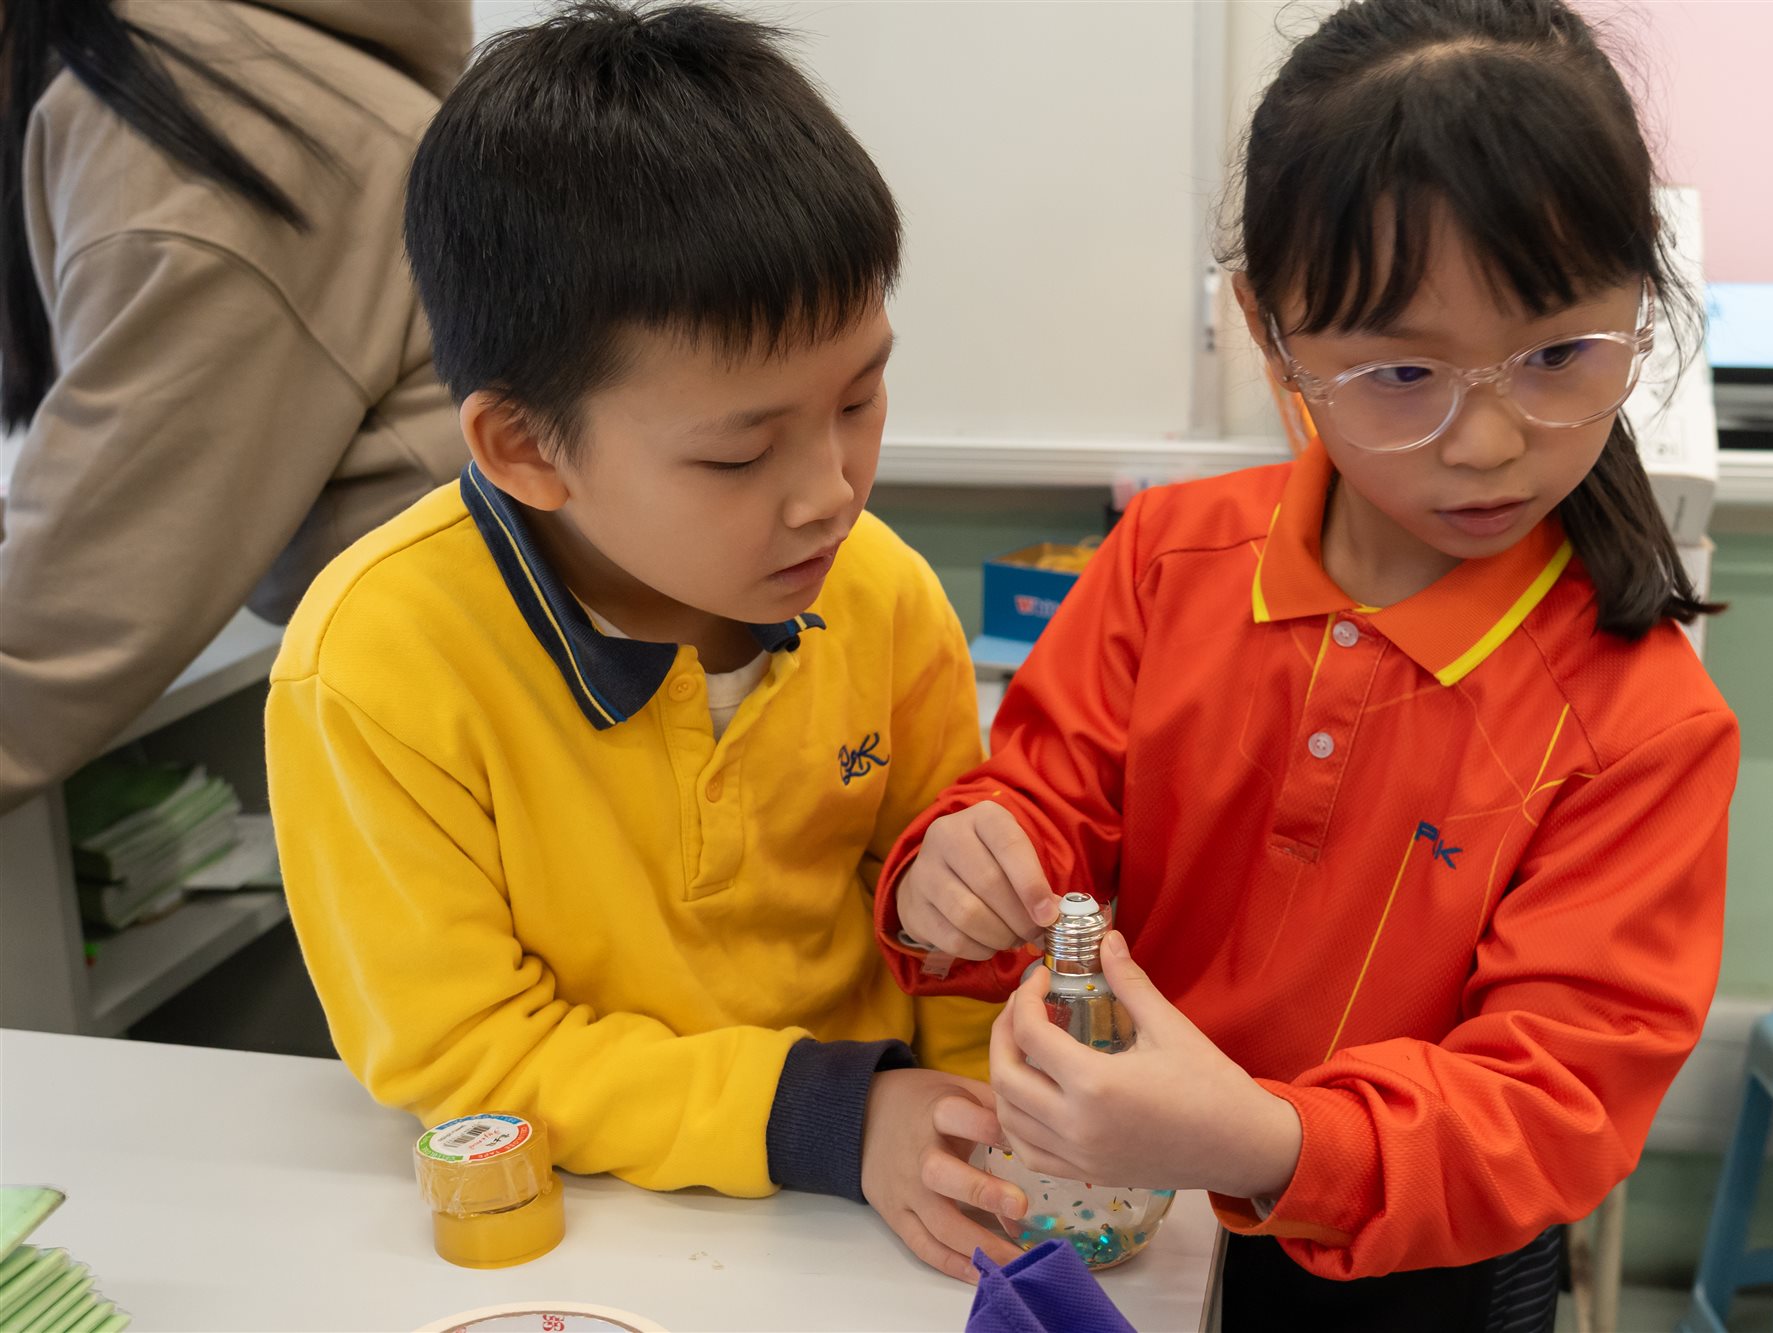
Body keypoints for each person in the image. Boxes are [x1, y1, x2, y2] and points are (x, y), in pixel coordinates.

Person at [875, 0, 1741, 1324]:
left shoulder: (1641, 723)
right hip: (1135, 1215)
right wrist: (966, 864)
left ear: (1644, 303)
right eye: (1401, 374)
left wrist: (1259, 1140)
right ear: (1271, 333)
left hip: (1426, 1270)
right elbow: (1045, 810)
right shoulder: (1169, 560)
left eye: (1560, 356)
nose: (1489, 443)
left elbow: (1549, 1102)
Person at [267, 1, 1019, 1284]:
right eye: (738, 453)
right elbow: (460, 1050)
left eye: (860, 397)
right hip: (591, 1223)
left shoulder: (884, 594)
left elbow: (954, 939)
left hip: (872, 1208)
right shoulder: (375, 662)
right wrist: (832, 1118)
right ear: (525, 448)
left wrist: (975, 1121)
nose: (830, 491)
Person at [0, 0, 471, 811]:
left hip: (483, 708)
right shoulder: (227, 61)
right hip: (480, 679)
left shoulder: (179, 110)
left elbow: (60, 634)